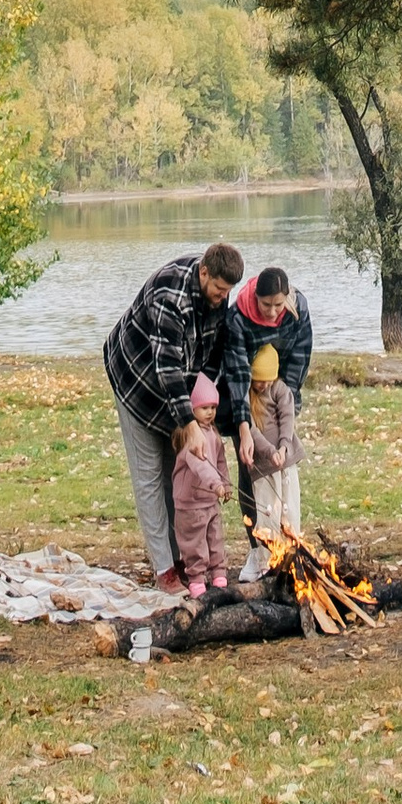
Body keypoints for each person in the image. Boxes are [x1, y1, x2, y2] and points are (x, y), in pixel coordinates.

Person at [102, 240, 246, 594]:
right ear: (203, 272)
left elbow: (210, 356)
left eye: (227, 291)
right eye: (218, 289)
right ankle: (165, 570)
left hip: (176, 391)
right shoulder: (172, 296)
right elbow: (165, 365)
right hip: (136, 380)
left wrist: (202, 403)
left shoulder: (218, 290)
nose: (221, 297)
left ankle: (183, 558)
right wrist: (188, 423)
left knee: (176, 473)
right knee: (150, 477)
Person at [228, 262, 312, 580]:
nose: (272, 311)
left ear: (287, 297)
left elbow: (300, 355)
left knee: (285, 468)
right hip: (247, 396)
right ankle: (258, 549)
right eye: (267, 304)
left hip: (279, 388)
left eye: (278, 304)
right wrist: (243, 423)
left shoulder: (297, 308)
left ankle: (289, 544)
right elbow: (235, 371)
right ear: (257, 299)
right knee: (252, 469)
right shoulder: (238, 317)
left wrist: (284, 400)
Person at [169, 375, 233, 596]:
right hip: (191, 503)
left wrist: (226, 483)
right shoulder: (190, 436)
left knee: (215, 538)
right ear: (192, 408)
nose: (210, 412)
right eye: (204, 407)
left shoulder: (213, 434)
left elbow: (220, 462)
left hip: (210, 500)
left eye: (213, 407)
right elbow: (201, 466)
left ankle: (219, 575)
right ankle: (196, 579)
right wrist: (215, 484)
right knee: (194, 543)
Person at [245, 342, 301, 547]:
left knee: (289, 508)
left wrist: (283, 447)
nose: (264, 385)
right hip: (263, 463)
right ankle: (267, 557)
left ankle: (293, 550)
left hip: (285, 458)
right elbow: (251, 429)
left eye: (268, 380)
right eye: (260, 381)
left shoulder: (279, 388)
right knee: (268, 509)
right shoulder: (247, 397)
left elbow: (287, 418)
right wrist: (269, 452)